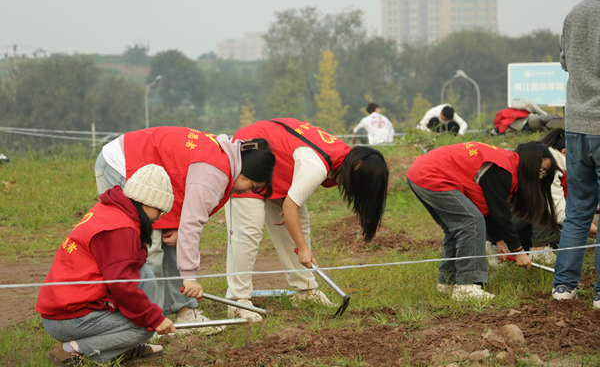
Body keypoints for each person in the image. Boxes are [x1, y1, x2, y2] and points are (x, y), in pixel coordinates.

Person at [94, 127, 276, 333]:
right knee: (148, 249)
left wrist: (181, 231)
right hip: (122, 164)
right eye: (251, 185)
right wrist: (190, 277)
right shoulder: (213, 172)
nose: (246, 191)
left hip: (159, 175)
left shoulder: (226, 159)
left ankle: (184, 312)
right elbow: (192, 223)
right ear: (244, 174)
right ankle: (147, 322)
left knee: (171, 238)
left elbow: (188, 220)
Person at [225, 118, 388, 321]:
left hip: (277, 166)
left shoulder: (343, 154)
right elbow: (290, 207)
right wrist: (303, 249)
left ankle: (305, 292)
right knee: (248, 232)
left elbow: (292, 209)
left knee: (299, 223)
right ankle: (237, 301)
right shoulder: (317, 166)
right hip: (249, 158)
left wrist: (294, 221)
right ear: (357, 167)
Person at [37, 164, 177, 366]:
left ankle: (120, 347)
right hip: (66, 317)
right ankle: (69, 350)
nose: (158, 218)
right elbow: (122, 286)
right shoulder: (119, 229)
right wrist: (155, 318)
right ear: (148, 202)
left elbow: (131, 265)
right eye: (160, 211)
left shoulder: (112, 210)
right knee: (145, 328)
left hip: (68, 304)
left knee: (144, 273)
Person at [406, 141, 557, 301]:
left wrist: (499, 240)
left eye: (544, 173)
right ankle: (467, 287)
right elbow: (501, 214)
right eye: (541, 170)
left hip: (420, 171)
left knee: (455, 229)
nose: (540, 177)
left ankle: (447, 284)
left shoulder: (507, 165)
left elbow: (489, 208)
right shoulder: (503, 169)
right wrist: (518, 251)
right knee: (471, 221)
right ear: (530, 162)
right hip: (431, 174)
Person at [552, 0, 600, 308]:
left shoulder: (575, 12)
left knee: (578, 209)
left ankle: (563, 287)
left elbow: (565, 62)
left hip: (577, 124)